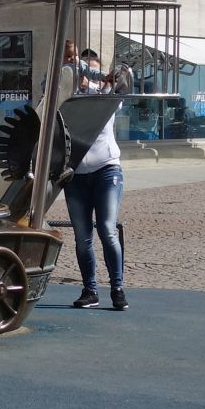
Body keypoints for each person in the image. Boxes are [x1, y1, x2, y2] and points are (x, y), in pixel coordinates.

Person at [64, 57, 128, 311]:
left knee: (107, 229)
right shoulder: (68, 99)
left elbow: (122, 80)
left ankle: (117, 288)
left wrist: (98, 77)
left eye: (91, 70)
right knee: (82, 237)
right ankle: (90, 289)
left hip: (106, 169)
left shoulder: (108, 99)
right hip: (76, 174)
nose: (85, 75)